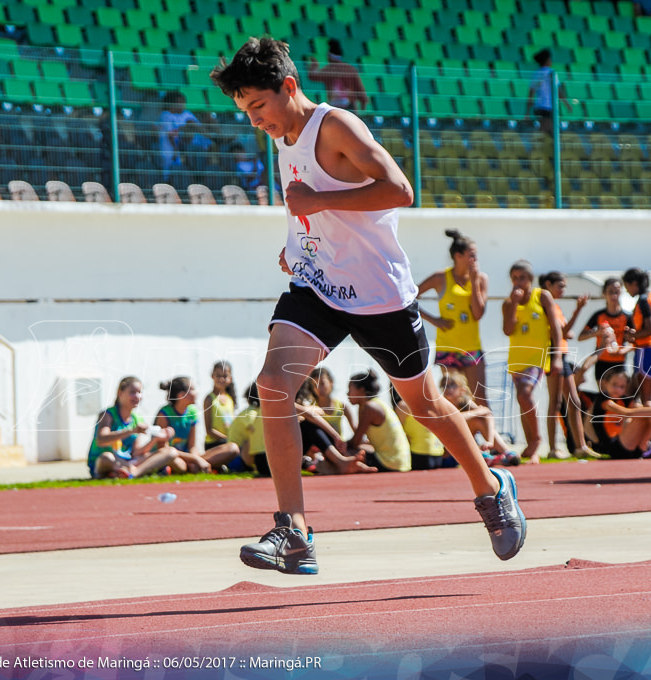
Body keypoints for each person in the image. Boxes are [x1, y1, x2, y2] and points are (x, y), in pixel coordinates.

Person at [211, 37, 525, 575]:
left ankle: (492, 487)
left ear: (289, 87)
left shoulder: (336, 127)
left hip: (379, 295)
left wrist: (319, 203)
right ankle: (294, 531)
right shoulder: (284, 138)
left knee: (423, 404)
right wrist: (298, 247)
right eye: (245, 112)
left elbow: (399, 189)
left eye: (258, 107)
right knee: (272, 384)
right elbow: (311, 213)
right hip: (318, 288)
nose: (254, 121)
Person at [417, 229, 490, 407]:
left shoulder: (480, 279)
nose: (476, 260)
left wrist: (474, 282)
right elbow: (409, 298)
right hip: (447, 349)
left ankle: (486, 435)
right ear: (458, 256)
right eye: (472, 255)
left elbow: (478, 314)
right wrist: (434, 320)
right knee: (452, 401)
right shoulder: (440, 278)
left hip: (472, 348)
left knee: (479, 399)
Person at [502, 259, 561, 463]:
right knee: (522, 400)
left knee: (525, 395)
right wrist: (514, 305)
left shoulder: (542, 296)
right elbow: (508, 329)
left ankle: (536, 439)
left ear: (530, 279)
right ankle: (532, 448)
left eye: (523, 278)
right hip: (517, 358)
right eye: (515, 278)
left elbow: (555, 327)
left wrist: (557, 356)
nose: (519, 282)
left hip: (537, 357)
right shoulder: (509, 303)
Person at [539, 271, 601, 459]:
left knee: (574, 401)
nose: (563, 289)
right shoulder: (545, 305)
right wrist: (578, 310)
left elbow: (565, 333)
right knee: (556, 402)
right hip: (553, 355)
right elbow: (562, 331)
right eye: (561, 285)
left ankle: (580, 445)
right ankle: (552, 448)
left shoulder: (554, 306)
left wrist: (566, 330)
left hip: (562, 355)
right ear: (548, 284)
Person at [87, 376, 178, 479]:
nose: (137, 396)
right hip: (108, 461)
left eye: (139, 392)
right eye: (132, 392)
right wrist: (131, 431)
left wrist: (155, 439)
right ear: (120, 393)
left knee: (170, 452)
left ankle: (132, 473)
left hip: (128, 462)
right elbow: (101, 440)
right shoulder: (108, 414)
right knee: (106, 457)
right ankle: (130, 471)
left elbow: (136, 452)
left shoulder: (137, 418)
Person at [155, 376, 242, 473]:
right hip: (173, 456)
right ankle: (204, 467)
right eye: (193, 389)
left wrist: (195, 458)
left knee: (233, 448)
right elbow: (164, 449)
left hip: (187, 457)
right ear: (182, 395)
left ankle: (197, 467)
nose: (197, 392)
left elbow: (192, 446)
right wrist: (195, 459)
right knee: (180, 465)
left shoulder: (192, 412)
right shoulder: (165, 413)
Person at [440, 371, 519, 466]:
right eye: (444, 385)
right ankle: (483, 457)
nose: (448, 389)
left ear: (462, 390)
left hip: (462, 450)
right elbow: (452, 419)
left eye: (452, 385)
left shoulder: (464, 403)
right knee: (471, 418)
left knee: (478, 421)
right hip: (446, 455)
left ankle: (505, 452)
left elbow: (487, 414)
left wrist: (489, 441)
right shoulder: (441, 404)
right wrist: (477, 412)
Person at [346, 370, 411, 472]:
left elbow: (355, 442)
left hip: (390, 462)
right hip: (401, 462)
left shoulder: (370, 407)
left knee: (347, 453)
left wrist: (335, 445)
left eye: (350, 389)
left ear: (361, 390)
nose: (347, 394)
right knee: (356, 450)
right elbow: (360, 439)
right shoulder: (375, 404)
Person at [622, 267, 651, 406]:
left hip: (648, 349)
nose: (627, 290)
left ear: (634, 284)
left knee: (647, 399)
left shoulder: (643, 300)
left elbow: (650, 328)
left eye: (627, 286)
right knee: (649, 394)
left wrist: (633, 335)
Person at [579, 277, 634, 382]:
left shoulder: (627, 316)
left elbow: (636, 342)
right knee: (603, 394)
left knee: (618, 394)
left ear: (621, 292)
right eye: (610, 292)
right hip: (601, 361)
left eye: (617, 292)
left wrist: (622, 350)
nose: (614, 296)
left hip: (620, 362)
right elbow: (581, 337)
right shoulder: (599, 315)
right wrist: (596, 332)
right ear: (604, 293)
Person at [159, 91, 212, 185]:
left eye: (183, 102)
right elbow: (170, 134)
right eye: (179, 102)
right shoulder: (165, 115)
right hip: (171, 150)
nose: (182, 105)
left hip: (186, 147)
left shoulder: (186, 114)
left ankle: (213, 139)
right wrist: (176, 149)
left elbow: (198, 128)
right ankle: (214, 138)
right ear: (172, 103)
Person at [392, 386, 450, 470]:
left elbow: (398, 434)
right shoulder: (432, 403)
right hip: (438, 456)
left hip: (419, 455)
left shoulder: (403, 406)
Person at [306, 38, 368, 112]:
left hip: (334, 107)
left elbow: (312, 76)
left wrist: (314, 65)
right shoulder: (351, 69)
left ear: (329, 56)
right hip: (350, 107)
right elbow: (361, 92)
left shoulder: (328, 69)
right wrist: (363, 107)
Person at [526, 48, 572, 135]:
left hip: (538, 106)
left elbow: (531, 93)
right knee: (550, 131)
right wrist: (567, 104)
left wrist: (527, 112)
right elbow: (558, 91)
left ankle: (541, 143)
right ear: (547, 60)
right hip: (548, 106)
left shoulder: (536, 74)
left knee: (544, 129)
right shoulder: (552, 73)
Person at [228, 382, 265, 475]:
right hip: (235, 458)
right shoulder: (252, 412)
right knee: (254, 439)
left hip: (237, 455)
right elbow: (255, 432)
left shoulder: (253, 410)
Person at [203, 360, 236, 448]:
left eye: (225, 376)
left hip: (228, 442)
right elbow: (209, 430)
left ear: (230, 378)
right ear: (212, 376)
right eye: (218, 376)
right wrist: (227, 439)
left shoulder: (230, 399)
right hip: (214, 444)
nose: (221, 379)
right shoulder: (209, 399)